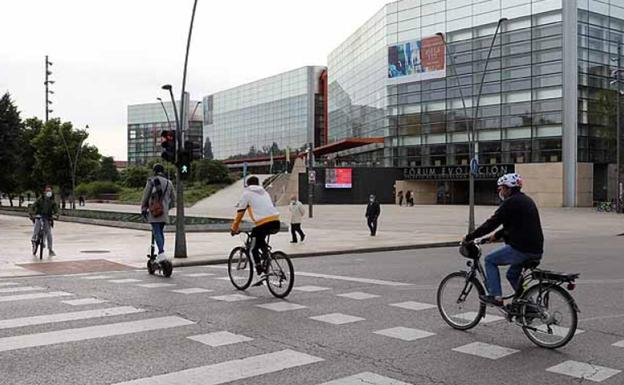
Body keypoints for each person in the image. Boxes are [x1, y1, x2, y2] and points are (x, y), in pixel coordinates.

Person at [463, 173, 544, 307]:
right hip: (535, 249)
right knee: (512, 275)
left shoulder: (510, 203)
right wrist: (495, 236)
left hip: (522, 249)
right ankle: (529, 306)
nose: (499, 191)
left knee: (490, 260)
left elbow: (491, 223)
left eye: (500, 188)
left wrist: (469, 237)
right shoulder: (525, 200)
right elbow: (516, 225)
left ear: (508, 188)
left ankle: (496, 297)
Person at [231, 175, 281, 286]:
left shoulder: (247, 194)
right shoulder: (265, 192)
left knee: (252, 249)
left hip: (263, 223)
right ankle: (266, 257)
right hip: (275, 221)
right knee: (260, 241)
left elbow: (240, 213)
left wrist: (234, 228)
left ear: (247, 185)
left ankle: (260, 275)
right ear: (258, 183)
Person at [141, 164, 175, 263]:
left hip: (154, 211)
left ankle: (161, 253)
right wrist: (166, 207)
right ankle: (161, 253)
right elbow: (173, 199)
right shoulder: (169, 183)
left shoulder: (151, 181)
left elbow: (145, 196)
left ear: (154, 171)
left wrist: (143, 208)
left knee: (156, 231)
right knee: (160, 232)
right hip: (163, 212)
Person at [29, 185, 59, 257]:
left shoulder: (52, 201)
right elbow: (33, 206)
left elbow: (56, 211)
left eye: (50, 191)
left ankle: (50, 249)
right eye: (47, 191)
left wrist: (56, 215)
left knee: (49, 233)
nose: (49, 192)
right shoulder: (40, 199)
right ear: (44, 192)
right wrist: (31, 213)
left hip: (47, 218)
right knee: (36, 228)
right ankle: (33, 239)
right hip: (39, 216)